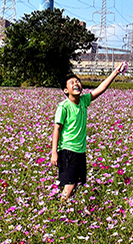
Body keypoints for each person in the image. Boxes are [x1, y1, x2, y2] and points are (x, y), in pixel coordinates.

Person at [50, 62, 126, 200]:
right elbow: (57, 129)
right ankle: (61, 207)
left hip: (80, 150)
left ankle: (65, 205)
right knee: (70, 184)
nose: (76, 84)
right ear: (66, 90)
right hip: (67, 150)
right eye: (72, 83)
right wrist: (54, 152)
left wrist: (115, 72)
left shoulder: (84, 100)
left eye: (77, 81)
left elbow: (101, 88)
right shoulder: (64, 107)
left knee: (76, 184)